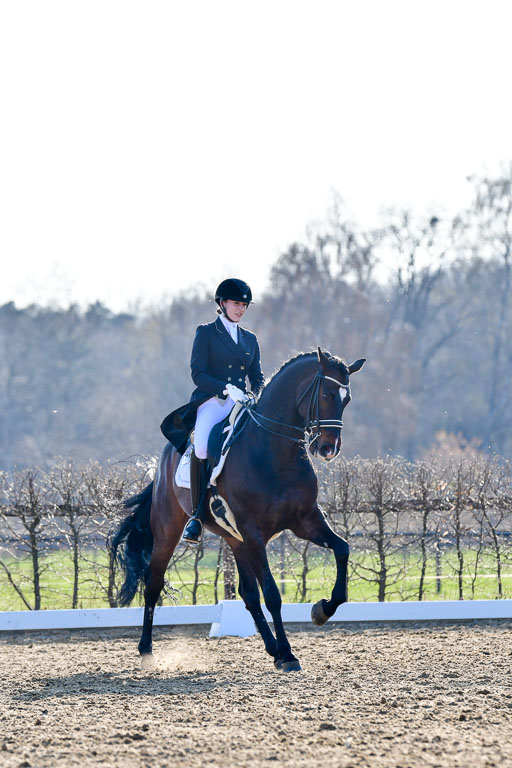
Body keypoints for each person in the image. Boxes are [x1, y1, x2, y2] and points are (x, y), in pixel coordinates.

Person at [160, 278, 265, 544]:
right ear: (222, 303)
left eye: (244, 305)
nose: (241, 309)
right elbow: (198, 373)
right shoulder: (206, 333)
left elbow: (257, 376)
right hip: (213, 401)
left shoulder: (250, 339)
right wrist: (225, 389)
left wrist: (257, 394)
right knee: (203, 446)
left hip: (242, 403)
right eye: (236, 303)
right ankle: (196, 515)